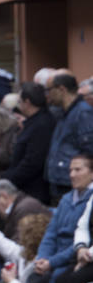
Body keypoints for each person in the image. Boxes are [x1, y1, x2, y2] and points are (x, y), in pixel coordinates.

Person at [27, 153, 93, 283]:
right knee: (34, 281)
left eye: (78, 170)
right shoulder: (66, 199)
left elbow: (82, 238)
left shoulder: (90, 200)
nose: (72, 174)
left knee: (53, 282)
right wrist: (43, 258)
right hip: (55, 256)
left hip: (72, 256)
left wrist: (52, 262)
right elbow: (51, 233)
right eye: (70, 170)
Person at [1, 82, 56, 205]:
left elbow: (33, 161)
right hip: (27, 186)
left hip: (34, 190)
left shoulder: (42, 124)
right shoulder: (35, 122)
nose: (18, 105)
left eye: (19, 102)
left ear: (27, 102)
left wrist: (9, 178)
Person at [45, 73, 93, 205]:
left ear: (61, 89)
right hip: (61, 181)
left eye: (49, 90)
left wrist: (78, 174)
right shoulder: (64, 113)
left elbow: (88, 150)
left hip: (71, 184)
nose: (47, 94)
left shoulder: (83, 113)